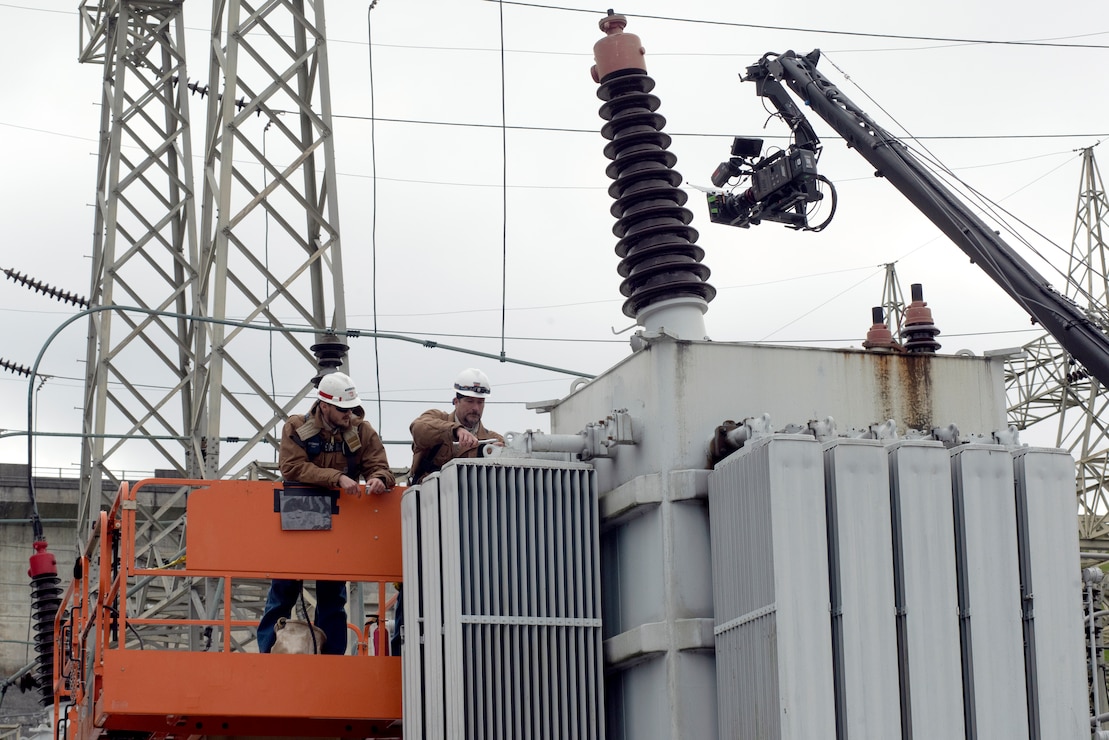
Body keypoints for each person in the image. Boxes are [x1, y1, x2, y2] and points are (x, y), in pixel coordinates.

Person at [257, 371, 395, 655]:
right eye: (342, 409)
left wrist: (379, 478)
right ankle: (268, 655)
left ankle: (331, 659)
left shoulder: (361, 431)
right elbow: (292, 468)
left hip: (335, 523)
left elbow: (380, 465)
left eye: (350, 408)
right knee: (283, 591)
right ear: (324, 405)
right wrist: (337, 478)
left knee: (332, 596)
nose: (348, 414)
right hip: (296, 517)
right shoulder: (297, 427)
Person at [408, 367, 505, 485]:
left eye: (480, 402)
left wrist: (499, 456)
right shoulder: (436, 418)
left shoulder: (492, 440)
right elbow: (418, 429)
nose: (475, 408)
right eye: (470, 401)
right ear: (456, 402)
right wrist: (455, 430)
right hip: (429, 498)